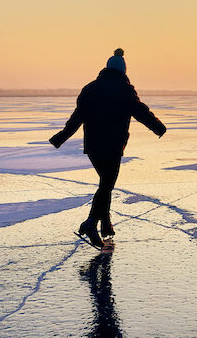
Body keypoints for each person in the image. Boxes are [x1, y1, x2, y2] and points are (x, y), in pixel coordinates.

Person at [50, 48, 166, 249]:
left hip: (93, 147)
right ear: (123, 70)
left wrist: (61, 137)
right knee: (106, 184)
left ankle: (104, 223)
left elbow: (77, 117)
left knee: (105, 183)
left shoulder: (90, 88)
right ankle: (91, 223)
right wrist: (158, 127)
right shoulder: (124, 89)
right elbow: (141, 111)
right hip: (113, 145)